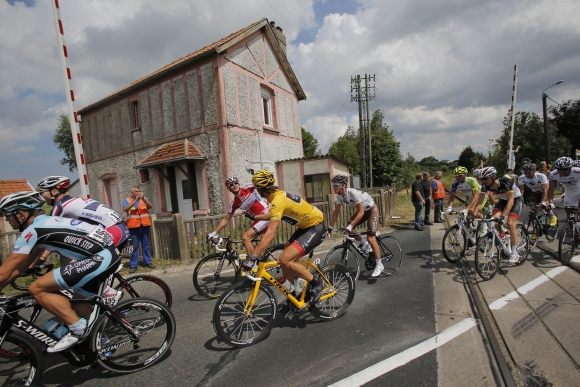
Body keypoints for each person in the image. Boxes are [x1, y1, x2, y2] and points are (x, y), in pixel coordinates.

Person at [0, 191, 121, 352]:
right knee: (80, 304)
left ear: (21, 214)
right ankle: (103, 345)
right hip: (107, 255)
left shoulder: (33, 230)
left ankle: (78, 329)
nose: (7, 219)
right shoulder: (44, 223)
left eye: (7, 215)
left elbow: (4, 272)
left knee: (37, 288)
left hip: (100, 258)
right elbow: (22, 265)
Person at [240, 170, 326, 313]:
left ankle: (317, 282)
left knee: (285, 258)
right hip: (305, 227)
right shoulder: (276, 197)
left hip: (315, 228)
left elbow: (270, 234)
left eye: (256, 188)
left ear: (261, 189)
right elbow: (273, 214)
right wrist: (255, 217)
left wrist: (253, 257)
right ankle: (293, 296)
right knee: (284, 261)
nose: (256, 190)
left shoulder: (277, 200)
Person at [37, 175, 130, 253]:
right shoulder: (77, 200)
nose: (41, 195)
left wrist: (40, 260)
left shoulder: (59, 206)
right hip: (121, 228)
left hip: (113, 231)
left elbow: (48, 235)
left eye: (43, 192)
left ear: (54, 192)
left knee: (78, 268)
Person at [327, 174, 383, 277]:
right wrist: (330, 227)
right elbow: (336, 212)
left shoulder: (352, 193)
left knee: (371, 238)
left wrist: (350, 226)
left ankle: (379, 265)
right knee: (347, 227)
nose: (333, 187)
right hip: (363, 212)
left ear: (343, 185)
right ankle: (364, 242)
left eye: (335, 185)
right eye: (333, 185)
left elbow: (360, 212)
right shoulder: (340, 196)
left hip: (371, 211)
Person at [206, 176, 270, 255]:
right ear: (229, 189)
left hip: (266, 215)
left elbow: (260, 184)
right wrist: (214, 233)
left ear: (239, 184)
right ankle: (260, 259)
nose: (234, 185)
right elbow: (226, 219)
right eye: (231, 185)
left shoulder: (248, 188)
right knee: (245, 242)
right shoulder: (234, 203)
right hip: (258, 219)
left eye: (236, 183)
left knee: (246, 238)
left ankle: (253, 264)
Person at [474, 167, 524, 264]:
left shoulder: (506, 182)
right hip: (503, 201)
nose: (483, 181)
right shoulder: (485, 186)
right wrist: (475, 213)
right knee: (494, 220)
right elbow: (480, 200)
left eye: (485, 179)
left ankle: (514, 252)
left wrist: (504, 216)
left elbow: (511, 201)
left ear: (493, 176)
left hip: (516, 200)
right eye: (481, 180)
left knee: (510, 223)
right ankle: (505, 235)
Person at [122, 186, 155, 273]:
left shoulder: (144, 199)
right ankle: (133, 265)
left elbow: (150, 206)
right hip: (133, 227)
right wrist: (135, 201)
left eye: (140, 191)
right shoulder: (127, 200)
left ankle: (148, 262)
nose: (139, 193)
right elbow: (125, 209)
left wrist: (143, 199)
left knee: (146, 245)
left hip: (144, 226)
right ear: (132, 193)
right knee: (133, 247)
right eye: (137, 191)